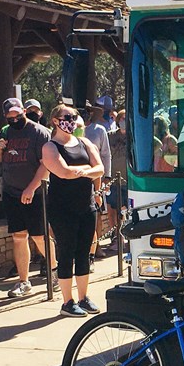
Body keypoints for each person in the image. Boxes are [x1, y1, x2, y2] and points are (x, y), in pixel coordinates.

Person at [0, 98, 58, 298]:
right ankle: (23, 281)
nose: (14, 119)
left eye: (17, 115)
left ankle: (55, 271)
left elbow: (46, 165)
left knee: (39, 236)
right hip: (11, 192)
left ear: (24, 112)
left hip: (34, 193)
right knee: (18, 237)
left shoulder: (39, 132)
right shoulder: (5, 132)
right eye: (10, 117)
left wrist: (31, 188)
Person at [42, 104, 104, 317]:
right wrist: (86, 170)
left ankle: (83, 297)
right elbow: (63, 172)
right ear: (55, 121)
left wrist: (81, 171)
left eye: (74, 116)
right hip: (62, 209)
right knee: (66, 252)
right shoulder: (50, 147)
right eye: (66, 116)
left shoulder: (86, 143)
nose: (71, 120)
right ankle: (67, 301)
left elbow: (100, 169)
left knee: (84, 252)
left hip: (86, 206)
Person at [84, 99, 112, 266]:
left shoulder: (99, 130)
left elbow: (106, 154)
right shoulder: (70, 131)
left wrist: (107, 177)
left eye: (87, 110)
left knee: (97, 214)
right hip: (76, 180)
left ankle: (97, 246)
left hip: (96, 178)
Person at [106, 109, 128, 252]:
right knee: (112, 209)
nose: (123, 121)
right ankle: (116, 237)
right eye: (121, 118)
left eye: (126, 118)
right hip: (113, 180)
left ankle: (126, 237)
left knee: (126, 210)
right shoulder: (109, 136)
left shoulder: (134, 137)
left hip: (128, 180)